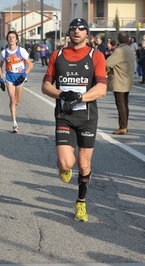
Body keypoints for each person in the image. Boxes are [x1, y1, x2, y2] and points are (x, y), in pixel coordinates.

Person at [41, 18, 107, 222]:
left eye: (81, 28)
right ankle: (63, 167)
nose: (76, 31)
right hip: (65, 116)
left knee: (84, 164)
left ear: (87, 33)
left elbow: (102, 88)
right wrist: (61, 95)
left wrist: (80, 97)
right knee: (66, 162)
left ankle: (81, 202)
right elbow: (45, 86)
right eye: (73, 29)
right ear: (68, 32)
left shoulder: (96, 56)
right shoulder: (57, 55)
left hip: (87, 118)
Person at [0, 31, 33, 133]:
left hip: (20, 78)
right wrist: (1, 79)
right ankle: (14, 124)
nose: (11, 39)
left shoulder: (22, 51)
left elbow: (30, 65)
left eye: (13, 37)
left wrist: (24, 75)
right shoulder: (4, 53)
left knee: (17, 101)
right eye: (9, 37)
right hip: (9, 78)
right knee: (12, 100)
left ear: (17, 40)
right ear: (7, 39)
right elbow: (0, 67)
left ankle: (13, 106)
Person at [106, 32, 135, 135]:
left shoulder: (119, 51)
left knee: (120, 104)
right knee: (125, 103)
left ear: (118, 40)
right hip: (127, 79)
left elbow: (107, 63)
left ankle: (122, 126)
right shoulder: (130, 50)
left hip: (119, 80)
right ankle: (125, 125)